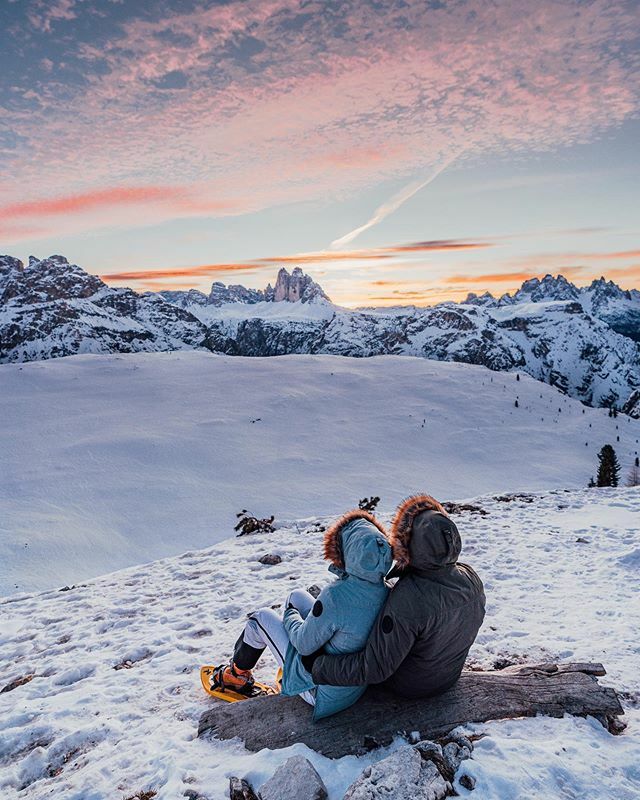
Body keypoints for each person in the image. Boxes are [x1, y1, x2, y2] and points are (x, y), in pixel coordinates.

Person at [212, 509, 392, 720]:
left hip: (320, 690)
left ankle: (237, 676)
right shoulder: (384, 589)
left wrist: (289, 616)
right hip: (350, 685)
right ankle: (284, 664)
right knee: (296, 595)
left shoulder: (337, 595)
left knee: (259, 619)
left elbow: (304, 644)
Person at [309, 494, 485, 698]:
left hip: (410, 687)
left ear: (407, 545)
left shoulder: (408, 597)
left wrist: (317, 665)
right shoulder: (470, 577)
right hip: (447, 678)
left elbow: (375, 668)